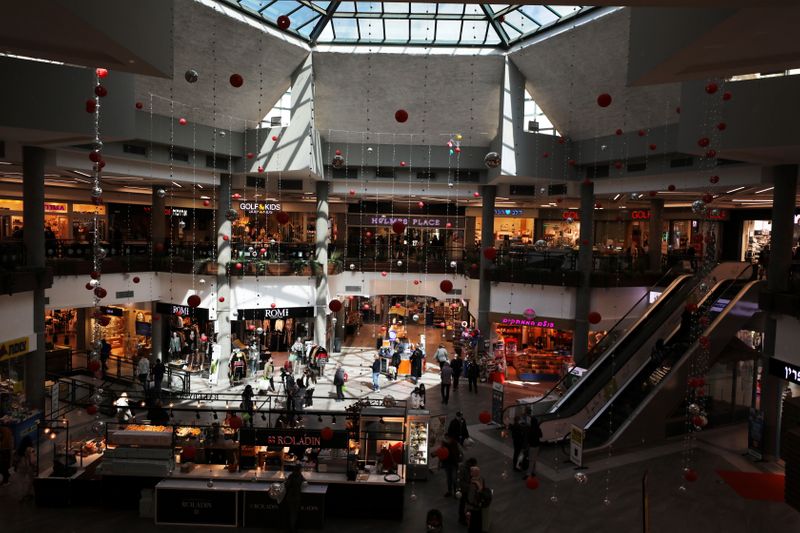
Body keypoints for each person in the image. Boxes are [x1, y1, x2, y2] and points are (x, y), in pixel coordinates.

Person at [283, 463, 305, 533]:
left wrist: (286, 481)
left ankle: (291, 527)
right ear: (300, 469)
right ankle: (293, 528)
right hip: (296, 497)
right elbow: (305, 481)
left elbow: (287, 485)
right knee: (294, 513)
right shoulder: (300, 476)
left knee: (291, 513)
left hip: (290, 497)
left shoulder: (291, 476)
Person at [12, 436, 35, 502]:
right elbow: (32, 460)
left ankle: (21, 496)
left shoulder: (19, 449)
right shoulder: (31, 449)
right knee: (31, 480)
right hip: (28, 466)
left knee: (21, 481)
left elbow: (15, 458)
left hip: (20, 466)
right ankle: (28, 493)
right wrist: (34, 465)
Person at [465, 465, 487, 533]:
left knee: (472, 524)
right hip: (480, 505)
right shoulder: (482, 479)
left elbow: (470, 499)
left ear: (473, 473)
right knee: (479, 522)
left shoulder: (473, 484)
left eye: (471, 472)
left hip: (473, 507)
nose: (470, 473)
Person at [522, 411, 543, 479]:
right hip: (537, 445)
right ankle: (533, 472)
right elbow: (541, 436)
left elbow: (528, 438)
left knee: (531, 460)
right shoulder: (538, 429)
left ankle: (528, 474)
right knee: (534, 459)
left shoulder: (530, 429)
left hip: (532, 446)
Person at [458, 457, 478, 525]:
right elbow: (460, 481)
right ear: (470, 463)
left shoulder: (470, 468)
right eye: (473, 465)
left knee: (467, 504)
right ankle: (461, 518)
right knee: (463, 504)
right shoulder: (463, 469)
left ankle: (466, 517)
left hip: (468, 489)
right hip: (463, 490)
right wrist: (469, 486)